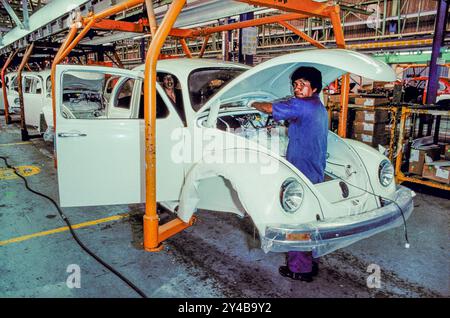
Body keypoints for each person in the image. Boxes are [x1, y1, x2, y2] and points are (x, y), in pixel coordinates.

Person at [251, 66, 328, 282]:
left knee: (296, 217)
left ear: (314, 87)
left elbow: (268, 109)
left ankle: (299, 269)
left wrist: (251, 104)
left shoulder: (302, 105)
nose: (297, 88)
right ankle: (310, 259)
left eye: (302, 84)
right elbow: (299, 127)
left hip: (302, 168)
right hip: (314, 166)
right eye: (295, 84)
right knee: (310, 215)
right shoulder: (317, 106)